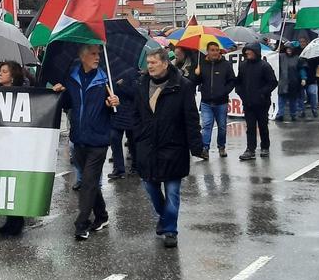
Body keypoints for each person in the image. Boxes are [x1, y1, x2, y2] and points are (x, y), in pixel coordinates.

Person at [133, 48, 206, 248]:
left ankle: (170, 230)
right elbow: (136, 115)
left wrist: (196, 146)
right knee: (150, 186)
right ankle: (164, 217)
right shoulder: (141, 84)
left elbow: (191, 118)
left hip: (174, 146)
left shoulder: (182, 86)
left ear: (165, 63)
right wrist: (137, 136)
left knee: (172, 191)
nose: (150, 66)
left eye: (153, 62)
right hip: (148, 146)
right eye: (148, 63)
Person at [53, 43, 120, 240]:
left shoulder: (105, 79)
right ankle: (102, 215)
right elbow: (67, 104)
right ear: (82, 57)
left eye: (98, 54)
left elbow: (115, 107)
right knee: (90, 183)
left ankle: (82, 223)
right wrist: (59, 92)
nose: (97, 57)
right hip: (79, 138)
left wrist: (113, 103)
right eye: (92, 54)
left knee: (88, 182)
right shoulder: (72, 77)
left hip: (98, 139)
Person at [0, 61, 30, 237]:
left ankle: (17, 220)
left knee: (15, 182)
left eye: (4, 71)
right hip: (2, 146)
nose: (0, 74)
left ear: (13, 75)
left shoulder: (23, 94)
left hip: (16, 146)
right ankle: (10, 219)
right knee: (5, 182)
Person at [234, 43, 277, 161]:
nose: (247, 53)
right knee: (250, 127)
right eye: (246, 51)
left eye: (249, 51)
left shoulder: (265, 66)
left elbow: (273, 82)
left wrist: (262, 93)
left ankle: (265, 147)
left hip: (262, 103)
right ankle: (250, 149)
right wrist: (240, 93)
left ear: (256, 52)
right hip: (248, 102)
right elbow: (239, 81)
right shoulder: (243, 66)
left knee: (263, 126)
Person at [195, 40, 236, 158]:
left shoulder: (225, 64)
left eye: (217, 50)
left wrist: (224, 91)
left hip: (221, 102)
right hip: (206, 102)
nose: (215, 52)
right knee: (207, 125)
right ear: (207, 51)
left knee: (222, 126)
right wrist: (197, 74)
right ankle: (205, 149)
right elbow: (196, 82)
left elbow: (232, 80)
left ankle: (221, 146)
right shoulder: (202, 64)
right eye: (212, 50)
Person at [274, 45, 305, 121]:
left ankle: (293, 114)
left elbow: (301, 69)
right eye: (287, 48)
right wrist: (275, 53)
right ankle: (280, 114)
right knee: (281, 99)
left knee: (293, 100)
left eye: (290, 49)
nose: (289, 50)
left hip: (293, 82)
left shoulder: (297, 58)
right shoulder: (281, 56)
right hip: (283, 81)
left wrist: (303, 78)